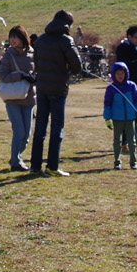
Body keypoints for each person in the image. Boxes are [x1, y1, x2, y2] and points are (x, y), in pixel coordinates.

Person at [30, 11, 84, 176]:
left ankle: (35, 166)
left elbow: (37, 62)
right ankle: (52, 166)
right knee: (56, 127)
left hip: (42, 88)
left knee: (40, 127)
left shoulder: (41, 39)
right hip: (58, 89)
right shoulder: (66, 40)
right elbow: (77, 66)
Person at [0, 27, 36, 170]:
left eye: (15, 37)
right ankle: (15, 162)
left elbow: (37, 71)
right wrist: (21, 75)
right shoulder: (9, 55)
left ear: (23, 37)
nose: (12, 40)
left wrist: (34, 78)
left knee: (27, 134)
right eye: (10, 37)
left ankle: (17, 157)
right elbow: (3, 76)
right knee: (19, 130)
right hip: (12, 98)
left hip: (29, 97)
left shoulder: (33, 53)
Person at [104, 61, 137, 170]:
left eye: (122, 73)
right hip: (117, 118)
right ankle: (117, 161)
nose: (120, 76)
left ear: (126, 73)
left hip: (130, 118)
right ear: (113, 75)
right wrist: (107, 117)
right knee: (117, 141)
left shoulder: (131, 86)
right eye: (117, 73)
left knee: (132, 141)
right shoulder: (111, 88)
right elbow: (107, 104)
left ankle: (133, 162)